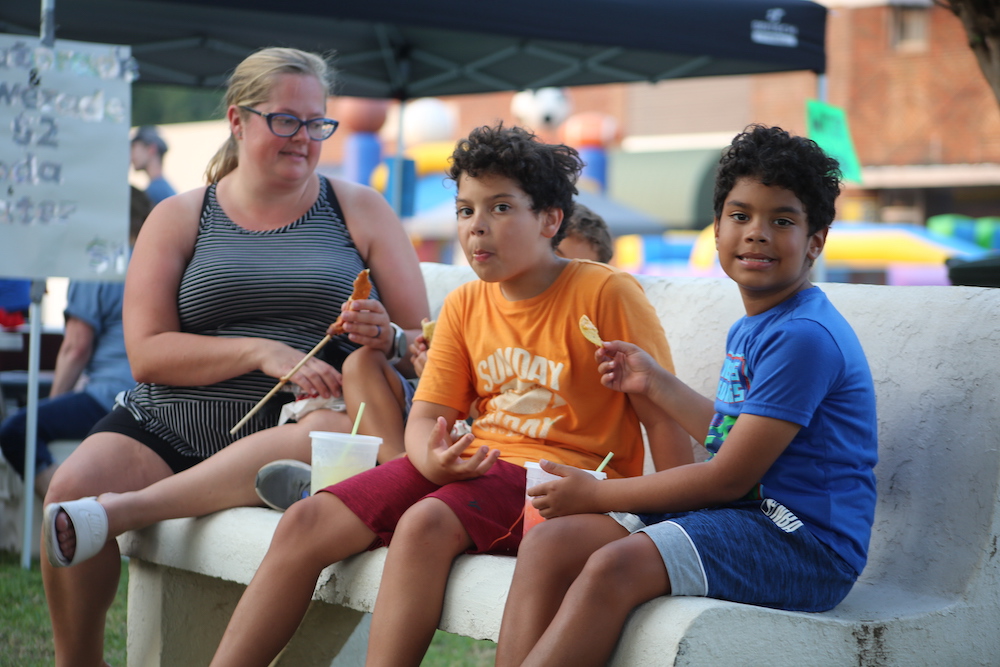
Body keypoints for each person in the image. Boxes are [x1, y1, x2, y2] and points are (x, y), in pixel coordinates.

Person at [206, 123, 691, 667]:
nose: (477, 228)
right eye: (466, 211)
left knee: (425, 522)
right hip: (477, 465)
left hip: (557, 483)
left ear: (550, 219)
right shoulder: (465, 305)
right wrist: (428, 456)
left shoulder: (605, 291)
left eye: (500, 208)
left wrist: (674, 523)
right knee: (305, 521)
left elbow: (661, 415)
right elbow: (428, 416)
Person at [40, 47, 429, 667]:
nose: (303, 137)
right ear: (237, 120)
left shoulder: (359, 210)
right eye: (285, 120)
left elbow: (423, 347)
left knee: (325, 431)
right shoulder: (179, 216)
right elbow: (146, 354)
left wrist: (388, 335)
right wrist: (265, 351)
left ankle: (128, 512)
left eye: (315, 123)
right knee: (69, 489)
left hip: (301, 426)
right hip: (172, 421)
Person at [493, 124, 878, 667]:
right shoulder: (758, 324)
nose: (757, 233)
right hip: (752, 516)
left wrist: (597, 495)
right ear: (716, 227)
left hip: (806, 545)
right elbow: (731, 439)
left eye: (783, 220)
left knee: (614, 567)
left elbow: (729, 476)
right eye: (740, 216)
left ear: (816, 241)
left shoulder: (804, 338)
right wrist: (654, 382)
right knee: (549, 544)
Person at [255, 205, 613, 511]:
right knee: (361, 362)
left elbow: (505, 414)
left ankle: (354, 488)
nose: (566, 278)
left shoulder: (592, 331)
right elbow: (429, 359)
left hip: (490, 441)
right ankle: (398, 472)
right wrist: (422, 359)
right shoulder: (482, 305)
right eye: (560, 262)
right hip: (426, 427)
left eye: (582, 269)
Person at [0, 188, 152, 498]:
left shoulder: (97, 265)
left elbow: (75, 347)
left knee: (18, 430)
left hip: (110, 395)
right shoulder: (159, 264)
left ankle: (67, 508)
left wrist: (52, 404)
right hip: (154, 398)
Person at [130, 125, 176, 204]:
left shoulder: (156, 191)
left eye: (134, 148)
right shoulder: (162, 188)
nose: (131, 156)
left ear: (151, 149)